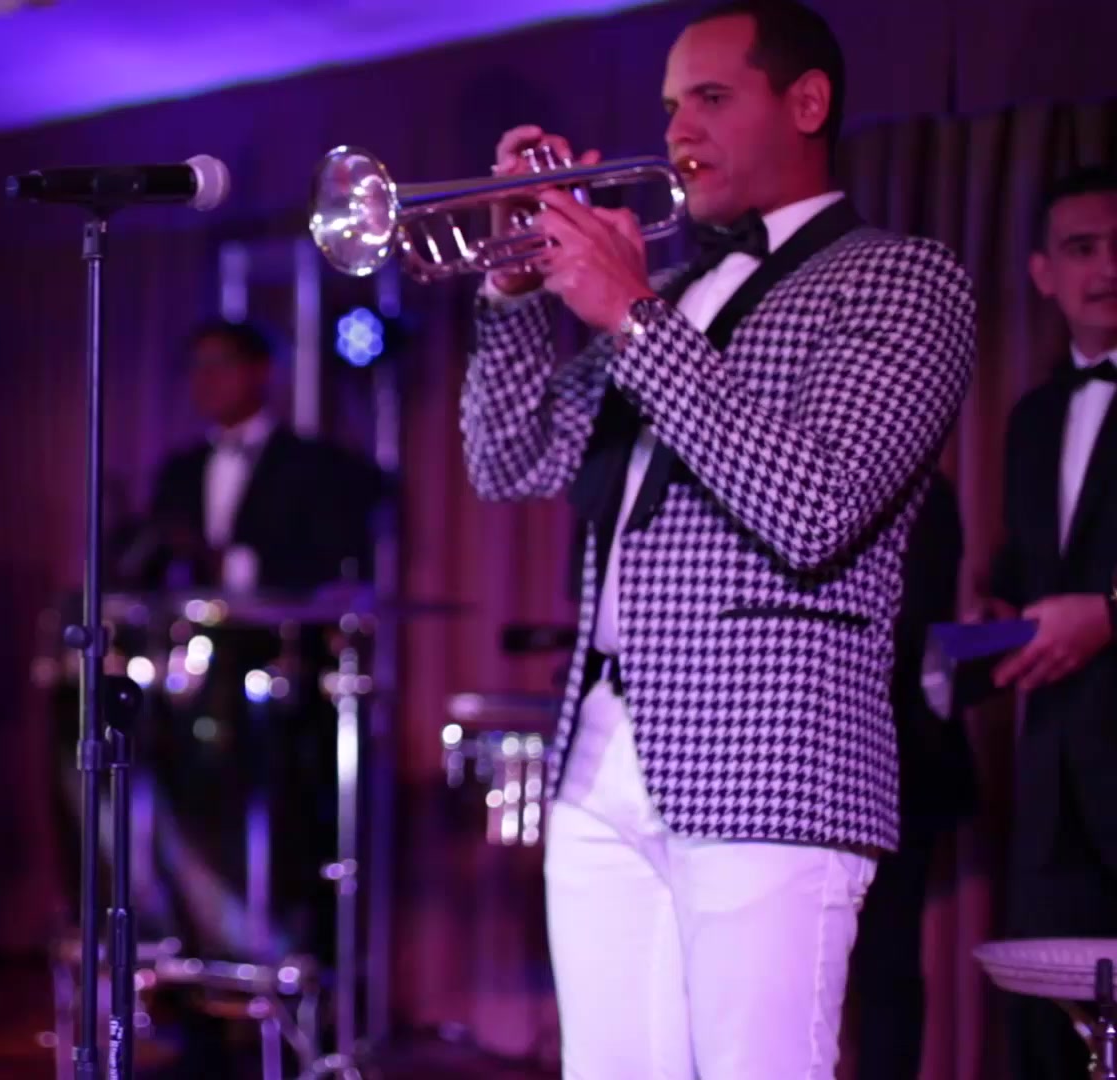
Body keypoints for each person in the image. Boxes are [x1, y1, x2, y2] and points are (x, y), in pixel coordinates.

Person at [458, 1, 977, 1075]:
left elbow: (817, 505)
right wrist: (512, 292)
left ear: (807, 102)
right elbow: (508, 462)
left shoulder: (902, 277)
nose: (677, 131)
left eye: (709, 97)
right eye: (668, 106)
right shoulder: (674, 290)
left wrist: (631, 316)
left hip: (773, 756)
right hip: (601, 752)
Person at [973, 164, 1117, 1080]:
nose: (1108, 268)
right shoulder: (1030, 418)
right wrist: (981, 628)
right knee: (1046, 1042)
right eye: (1082, 248)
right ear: (1043, 273)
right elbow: (1022, 583)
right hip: (1052, 780)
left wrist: (1109, 615)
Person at [847, 469, 975, 1078]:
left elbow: (911, 622)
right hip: (828, 756)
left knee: (887, 962)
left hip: (898, 759)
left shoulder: (921, 491)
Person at [131, 319, 384, 594]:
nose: (206, 378)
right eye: (197, 366)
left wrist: (232, 566)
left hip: (285, 619)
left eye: (221, 364)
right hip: (188, 619)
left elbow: (334, 562)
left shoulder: (314, 464)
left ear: (260, 370)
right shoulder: (180, 469)